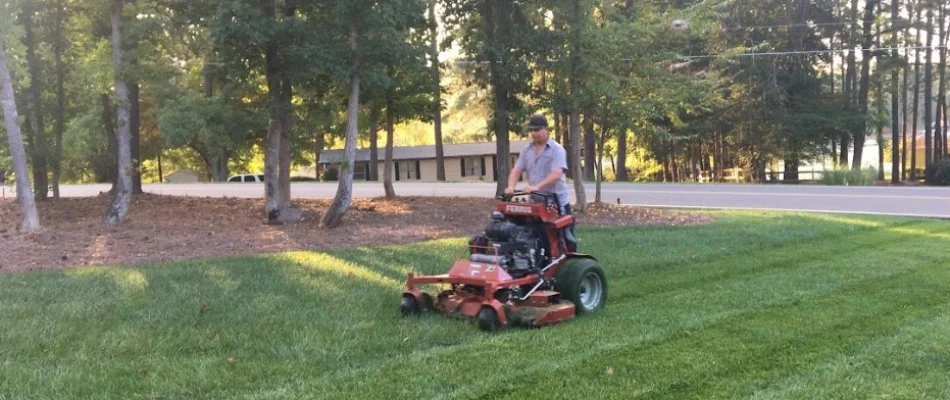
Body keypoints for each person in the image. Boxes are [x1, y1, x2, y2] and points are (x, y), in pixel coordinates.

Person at [505, 114, 577, 251]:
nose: (533, 133)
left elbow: (556, 174)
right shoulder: (527, 150)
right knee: (536, 235)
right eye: (531, 130)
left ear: (546, 129)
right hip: (536, 203)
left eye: (537, 130)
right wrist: (510, 187)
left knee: (565, 241)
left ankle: (571, 265)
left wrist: (536, 187)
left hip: (556, 203)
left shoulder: (557, 150)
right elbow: (516, 170)